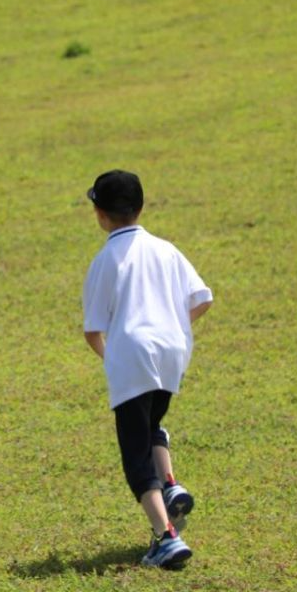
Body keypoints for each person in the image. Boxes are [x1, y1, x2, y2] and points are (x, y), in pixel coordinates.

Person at [82, 170, 212, 569]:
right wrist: (173, 326)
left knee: (136, 456)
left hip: (133, 357)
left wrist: (116, 359)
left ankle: (166, 538)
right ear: (140, 207)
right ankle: (171, 487)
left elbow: (93, 330)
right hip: (172, 352)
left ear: (100, 214)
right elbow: (203, 298)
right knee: (152, 424)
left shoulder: (105, 259)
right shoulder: (166, 249)